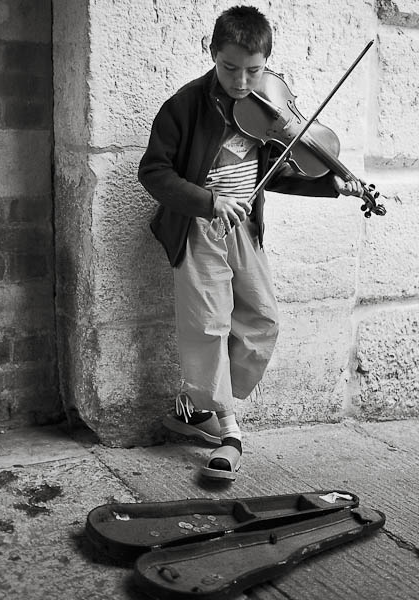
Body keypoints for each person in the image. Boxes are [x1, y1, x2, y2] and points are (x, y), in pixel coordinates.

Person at [138, 5, 363, 481]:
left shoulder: (266, 109)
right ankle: (229, 431)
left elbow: (276, 173)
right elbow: (153, 173)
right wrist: (208, 200)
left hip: (245, 227)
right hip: (199, 227)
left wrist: (330, 184)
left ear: (267, 62)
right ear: (213, 52)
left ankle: (196, 406)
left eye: (254, 70)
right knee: (208, 327)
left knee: (262, 322)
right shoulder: (184, 106)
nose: (241, 81)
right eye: (230, 68)